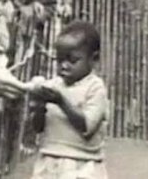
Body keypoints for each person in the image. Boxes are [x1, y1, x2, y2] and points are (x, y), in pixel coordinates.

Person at [29, 21, 109, 179]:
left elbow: (87, 127)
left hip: (83, 163)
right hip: (50, 160)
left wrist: (61, 102)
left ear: (94, 59)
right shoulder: (53, 85)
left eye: (72, 61)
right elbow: (38, 128)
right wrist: (39, 106)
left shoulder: (95, 88)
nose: (64, 66)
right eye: (59, 60)